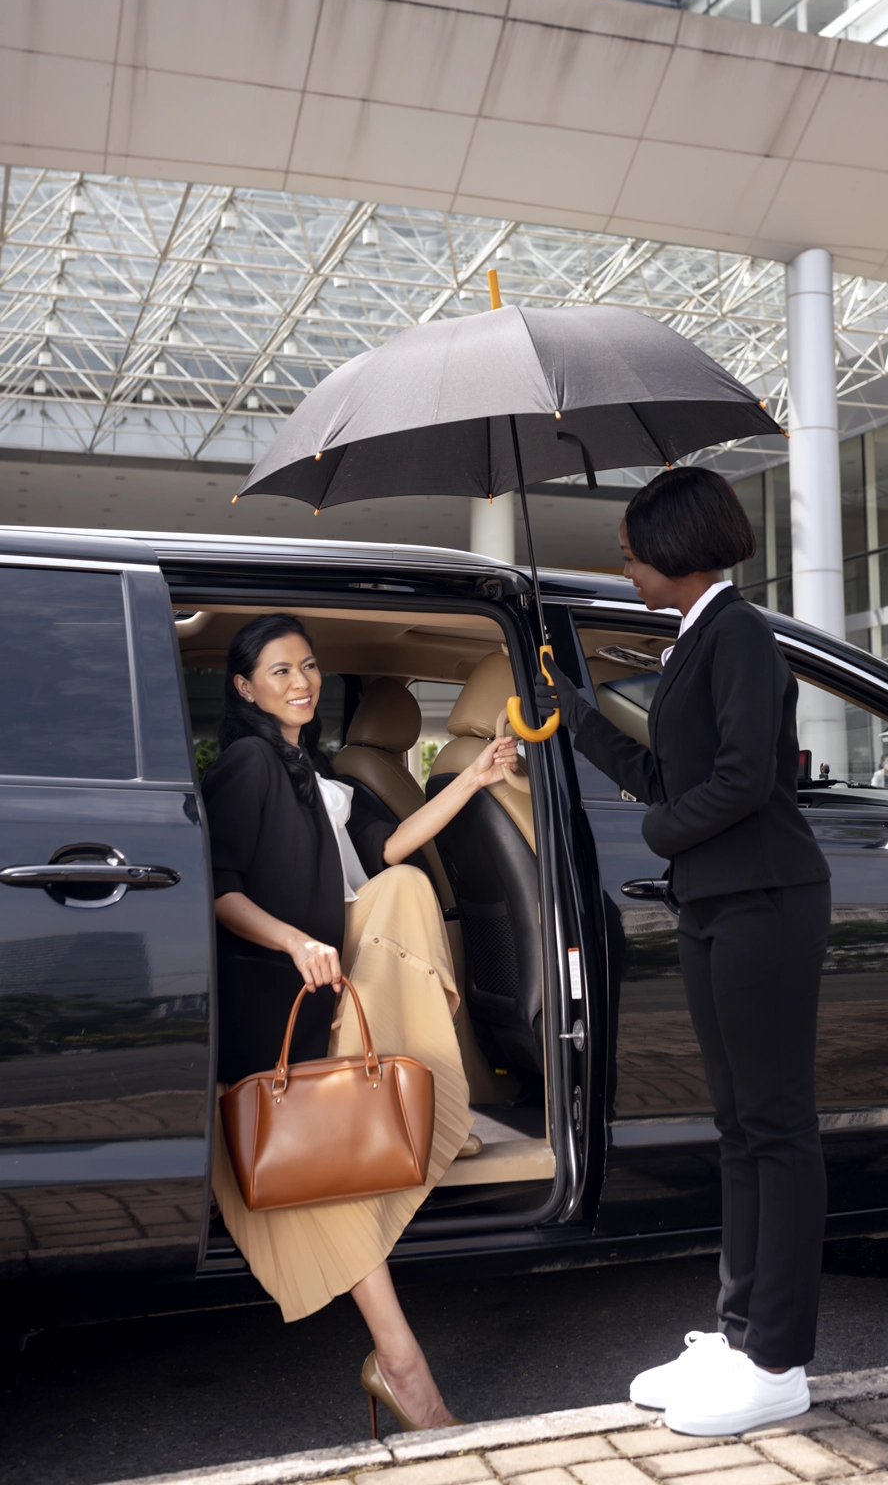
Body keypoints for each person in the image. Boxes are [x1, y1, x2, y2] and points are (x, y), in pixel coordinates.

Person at [536, 468, 832, 1439]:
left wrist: (658, 835)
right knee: (739, 1126)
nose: (625, 569)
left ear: (674, 550)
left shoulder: (738, 633)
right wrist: (575, 712)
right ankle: (739, 1333)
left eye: (631, 554)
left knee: (776, 1127)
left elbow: (745, 780)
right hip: (715, 904)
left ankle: (778, 1361)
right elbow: (667, 774)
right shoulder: (695, 638)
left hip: (765, 902)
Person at [202, 612, 518, 1433]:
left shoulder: (323, 774)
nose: (301, 682)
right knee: (327, 1177)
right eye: (280, 671)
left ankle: (402, 1365)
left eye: (309, 666)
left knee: (405, 884)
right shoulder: (246, 764)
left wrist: (475, 778)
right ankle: (403, 1369)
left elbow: (393, 849)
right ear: (244, 688)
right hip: (282, 1002)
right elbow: (220, 888)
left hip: (336, 985)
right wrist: (296, 940)